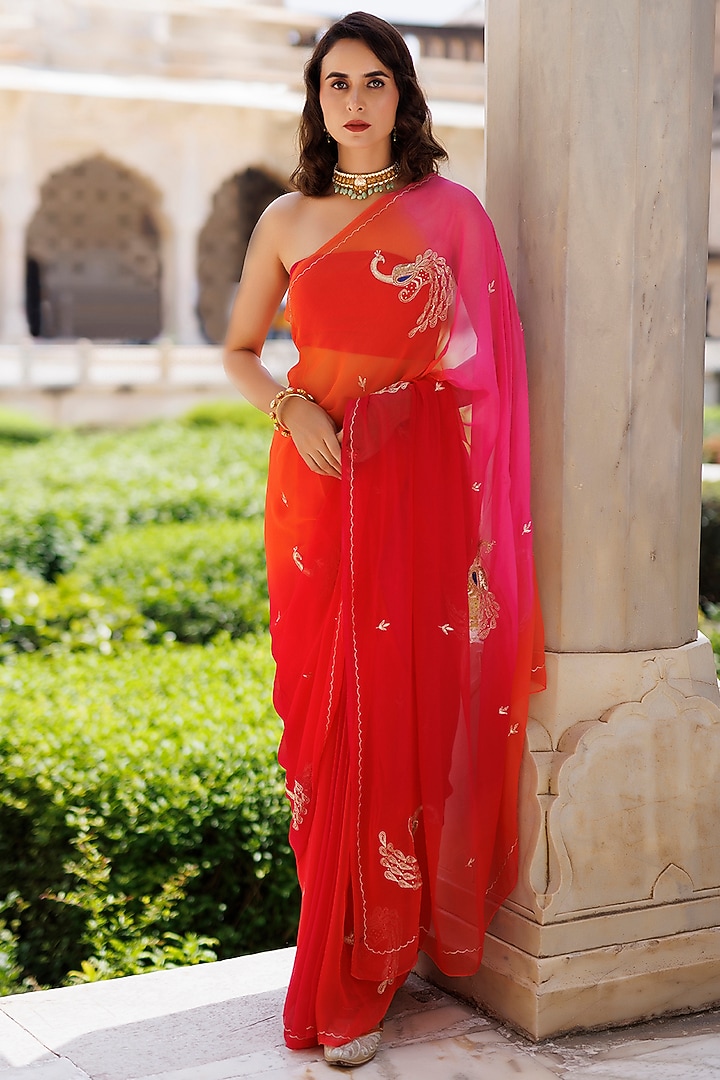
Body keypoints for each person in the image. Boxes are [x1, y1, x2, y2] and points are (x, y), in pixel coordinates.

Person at [223, 11, 545, 1069]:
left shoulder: (450, 213)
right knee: (325, 722)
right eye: (334, 84)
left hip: (417, 488)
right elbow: (237, 350)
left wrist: (416, 428)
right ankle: (339, 955)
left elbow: (488, 369)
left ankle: (378, 964)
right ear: (316, 101)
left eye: (373, 81)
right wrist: (290, 410)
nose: (353, 101)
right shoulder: (285, 218)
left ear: (405, 95)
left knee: (407, 706)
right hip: (319, 488)